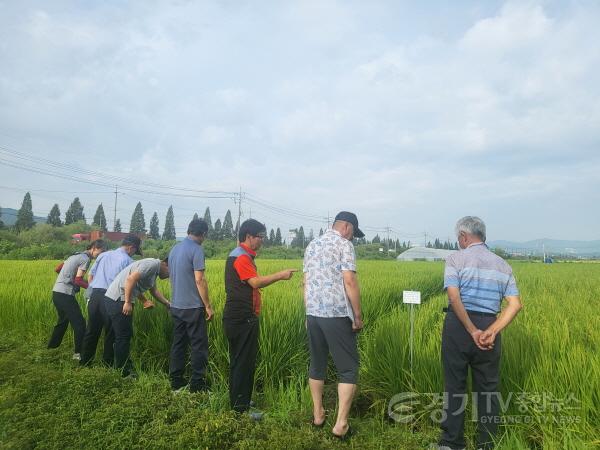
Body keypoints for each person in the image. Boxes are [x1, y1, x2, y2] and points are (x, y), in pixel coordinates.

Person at [436, 216, 522, 450]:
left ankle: (452, 443)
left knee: (454, 385)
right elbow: (515, 304)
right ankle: (487, 444)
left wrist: (472, 330)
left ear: (463, 237)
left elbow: (453, 297)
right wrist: (491, 331)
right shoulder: (503, 264)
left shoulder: (456, 259)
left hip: (459, 326)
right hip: (489, 327)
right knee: (488, 388)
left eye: (458, 238)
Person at [223, 219, 297, 416]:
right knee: (243, 362)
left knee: (240, 360)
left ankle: (241, 399)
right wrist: (280, 275)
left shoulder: (239, 255)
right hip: (242, 318)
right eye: (260, 237)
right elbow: (255, 283)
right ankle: (240, 408)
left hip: (237, 317)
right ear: (249, 237)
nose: (262, 241)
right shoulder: (241, 257)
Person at [303, 211, 364, 440]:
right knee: (348, 368)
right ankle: (341, 424)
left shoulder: (312, 245)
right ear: (346, 227)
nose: (352, 238)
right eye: (353, 234)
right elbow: (349, 280)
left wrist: (308, 313)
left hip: (313, 313)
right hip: (337, 314)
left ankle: (318, 415)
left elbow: (306, 283)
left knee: (317, 364)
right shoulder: (344, 245)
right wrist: (357, 315)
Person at [79, 234, 142, 367]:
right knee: (111, 332)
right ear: (131, 248)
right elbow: (128, 285)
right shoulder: (128, 262)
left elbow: (91, 276)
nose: (134, 254)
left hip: (95, 295)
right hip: (111, 297)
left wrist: (94, 291)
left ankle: (85, 362)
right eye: (135, 251)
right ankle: (107, 363)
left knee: (92, 330)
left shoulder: (103, 255)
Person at [103, 257, 171, 377]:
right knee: (124, 335)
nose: (169, 276)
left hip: (116, 299)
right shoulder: (153, 264)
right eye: (171, 272)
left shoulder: (154, 270)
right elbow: (130, 280)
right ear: (166, 264)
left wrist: (167, 303)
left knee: (117, 334)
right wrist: (127, 302)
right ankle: (124, 371)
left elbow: (153, 291)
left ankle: (110, 364)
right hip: (118, 299)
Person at [168, 219, 214, 392]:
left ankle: (176, 381)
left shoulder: (175, 248)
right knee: (198, 346)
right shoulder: (197, 250)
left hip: (176, 305)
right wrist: (208, 305)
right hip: (193, 307)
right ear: (203, 234)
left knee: (178, 344)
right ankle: (197, 384)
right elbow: (199, 279)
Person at [48, 239, 108, 360]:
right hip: (65, 294)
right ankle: (78, 354)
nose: (100, 255)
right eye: (100, 252)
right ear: (94, 248)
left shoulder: (75, 255)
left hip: (56, 292)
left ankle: (51, 348)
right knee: (80, 324)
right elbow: (78, 280)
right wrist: (93, 287)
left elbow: (58, 269)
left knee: (63, 321)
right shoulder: (85, 259)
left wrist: (66, 277)